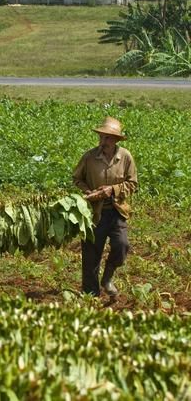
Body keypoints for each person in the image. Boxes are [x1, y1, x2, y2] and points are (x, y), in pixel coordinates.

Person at [73, 117, 138, 298]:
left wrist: (112, 190)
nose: (103, 142)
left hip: (117, 211)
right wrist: (89, 192)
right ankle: (90, 295)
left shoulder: (125, 157)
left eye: (107, 138)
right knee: (91, 255)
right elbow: (77, 178)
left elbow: (133, 184)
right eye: (101, 137)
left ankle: (107, 278)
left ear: (116, 140)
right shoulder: (89, 157)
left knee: (122, 246)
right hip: (95, 213)